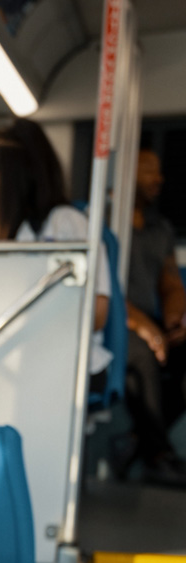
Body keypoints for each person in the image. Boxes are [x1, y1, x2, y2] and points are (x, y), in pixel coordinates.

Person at [0, 119, 186, 483]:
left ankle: (153, 450)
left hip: (55, 357)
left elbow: (97, 311)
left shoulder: (64, 224)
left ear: (7, 176)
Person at [127, 146, 186, 429]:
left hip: (151, 320)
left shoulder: (160, 228)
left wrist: (175, 320)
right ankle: (156, 448)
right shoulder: (103, 222)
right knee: (144, 355)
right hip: (118, 321)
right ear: (127, 172)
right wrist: (144, 327)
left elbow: (171, 284)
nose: (159, 179)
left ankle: (151, 439)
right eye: (149, 170)